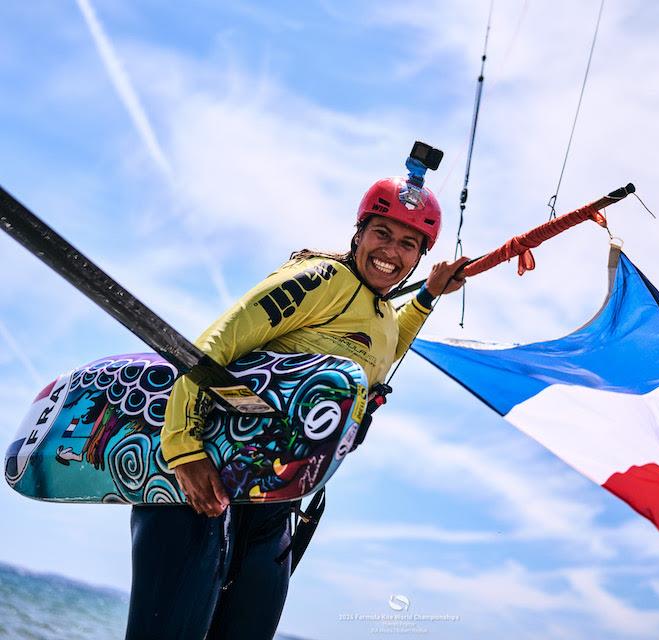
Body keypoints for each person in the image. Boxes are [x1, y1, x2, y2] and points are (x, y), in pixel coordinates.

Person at [125, 170, 469, 640]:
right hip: (203, 485)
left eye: (409, 244)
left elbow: (386, 351)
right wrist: (183, 450)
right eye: (382, 233)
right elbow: (215, 343)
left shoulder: (383, 314)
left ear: (420, 256)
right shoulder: (323, 278)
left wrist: (427, 296)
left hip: (275, 508)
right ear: (359, 232)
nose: (391, 251)